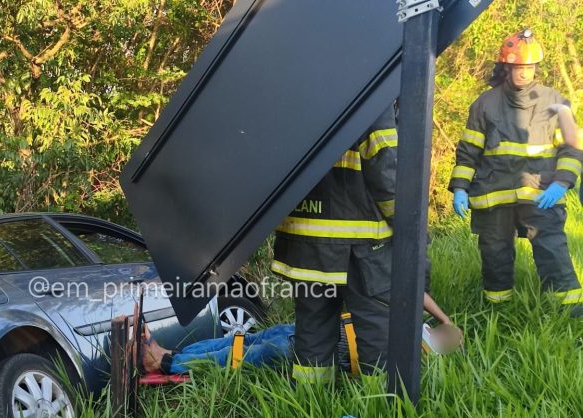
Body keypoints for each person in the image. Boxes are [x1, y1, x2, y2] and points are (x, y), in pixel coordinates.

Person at [448, 29, 583, 317]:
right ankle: (500, 313)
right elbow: (468, 151)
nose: (524, 73)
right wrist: (460, 187)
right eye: (519, 67)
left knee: (552, 250)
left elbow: (571, 150)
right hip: (492, 194)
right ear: (506, 66)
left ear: (537, 67)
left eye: (530, 67)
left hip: (541, 192)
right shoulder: (484, 104)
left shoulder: (555, 102)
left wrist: (563, 182)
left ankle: (570, 314)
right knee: (495, 255)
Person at [270, 104, 398, 384]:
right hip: (359, 243)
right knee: (376, 329)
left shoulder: (289, 91)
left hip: (303, 242)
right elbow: (385, 166)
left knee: (313, 329)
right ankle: (383, 411)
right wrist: (407, 226)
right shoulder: (372, 82)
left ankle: (309, 406)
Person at [141, 293, 462, 374]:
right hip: (308, 331)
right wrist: (445, 318)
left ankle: (167, 364)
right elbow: (416, 292)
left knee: (240, 355)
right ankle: (169, 355)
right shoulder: (415, 325)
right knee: (239, 341)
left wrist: (447, 333)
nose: (449, 333)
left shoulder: (422, 353)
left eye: (453, 340)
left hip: (311, 349)